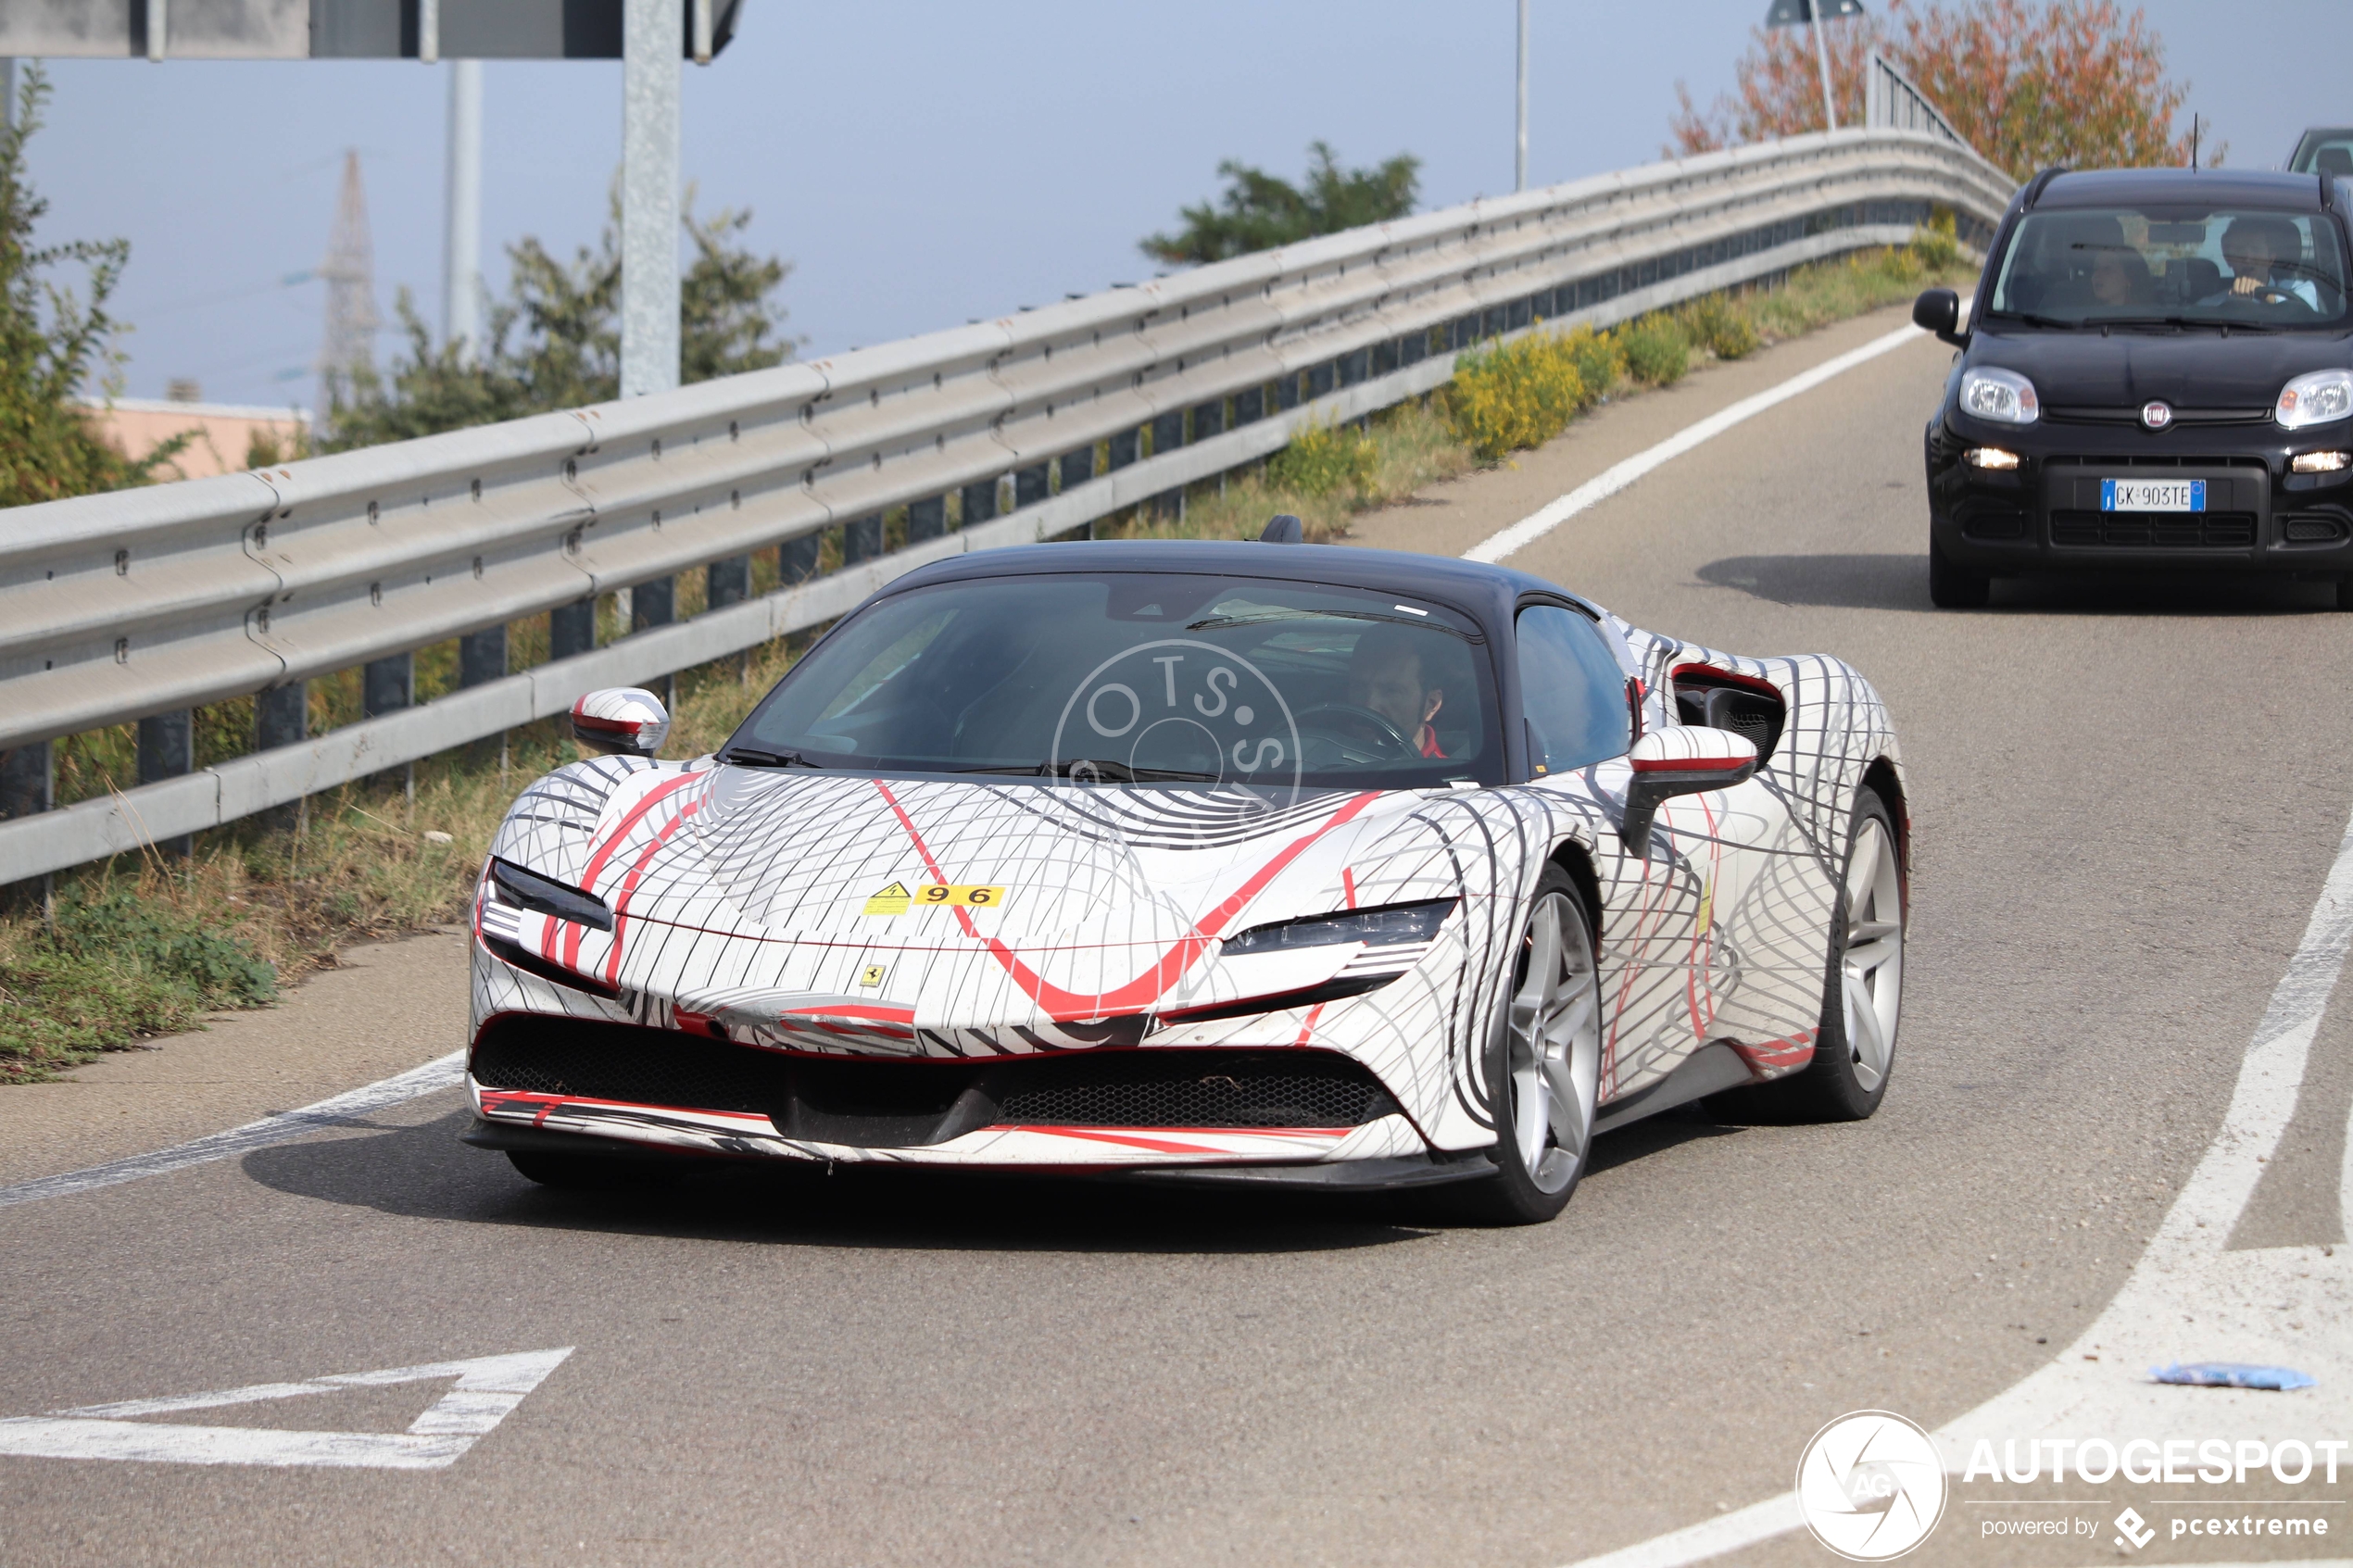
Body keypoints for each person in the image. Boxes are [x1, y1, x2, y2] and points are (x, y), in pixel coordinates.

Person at [1344, 624, 1447, 758]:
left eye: (1391, 692)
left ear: (1431, 705)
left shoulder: (1440, 774)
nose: (1369, 706)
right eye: (1358, 687)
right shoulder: (1318, 749)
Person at [2200, 216, 2319, 308]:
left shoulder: (2301, 290)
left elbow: (2305, 313)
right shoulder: (2211, 306)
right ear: (2228, 259)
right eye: (2239, 250)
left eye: (2255, 249)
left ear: (2271, 259)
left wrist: (2265, 295)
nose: (2247, 257)